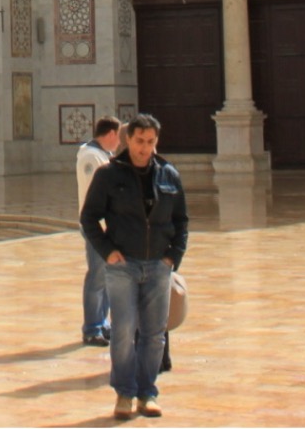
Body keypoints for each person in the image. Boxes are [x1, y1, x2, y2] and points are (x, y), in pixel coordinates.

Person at [80, 115, 186, 422]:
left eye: (150, 142)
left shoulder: (168, 174)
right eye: (139, 141)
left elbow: (182, 221)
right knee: (123, 332)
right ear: (129, 140)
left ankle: (147, 393)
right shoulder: (108, 175)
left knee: (154, 335)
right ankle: (124, 393)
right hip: (122, 267)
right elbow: (89, 218)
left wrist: (172, 258)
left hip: (158, 267)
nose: (144, 148)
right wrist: (107, 251)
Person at [76, 116, 123, 346]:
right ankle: (92, 327)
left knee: (105, 276)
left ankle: (102, 323)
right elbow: (95, 194)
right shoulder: (91, 157)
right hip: (97, 227)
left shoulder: (102, 156)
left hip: (107, 226)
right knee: (97, 276)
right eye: (119, 137)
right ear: (111, 134)